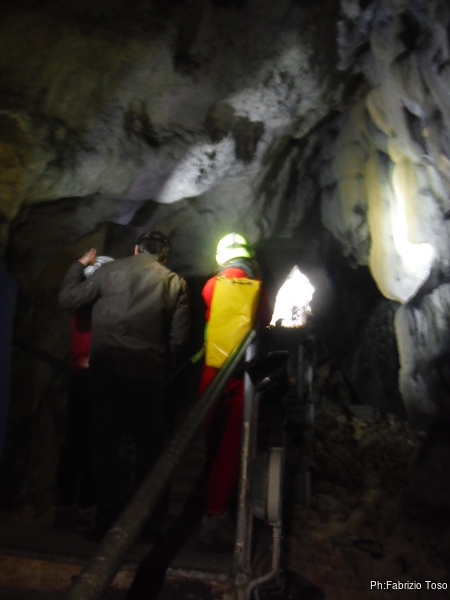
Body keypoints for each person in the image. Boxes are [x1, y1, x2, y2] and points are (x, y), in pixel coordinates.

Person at [59, 231, 190, 539]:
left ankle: (107, 522)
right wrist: (164, 367)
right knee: (150, 451)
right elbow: (179, 339)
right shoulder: (174, 282)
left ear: (135, 249)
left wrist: (78, 266)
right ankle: (145, 525)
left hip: (108, 371)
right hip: (148, 374)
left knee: (106, 447)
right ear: (164, 258)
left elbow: (68, 299)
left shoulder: (109, 271)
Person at [196, 233, 272, 552]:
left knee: (210, 442)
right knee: (231, 447)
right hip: (242, 375)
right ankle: (217, 513)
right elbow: (265, 320)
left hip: (212, 373)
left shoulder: (210, 285)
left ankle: (202, 501)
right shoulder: (258, 286)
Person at [55, 256, 114, 531]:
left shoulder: (79, 303)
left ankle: (66, 505)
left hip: (81, 377)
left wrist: (78, 264)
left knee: (75, 443)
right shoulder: (108, 304)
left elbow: (68, 290)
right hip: (98, 377)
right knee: (95, 444)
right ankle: (88, 506)